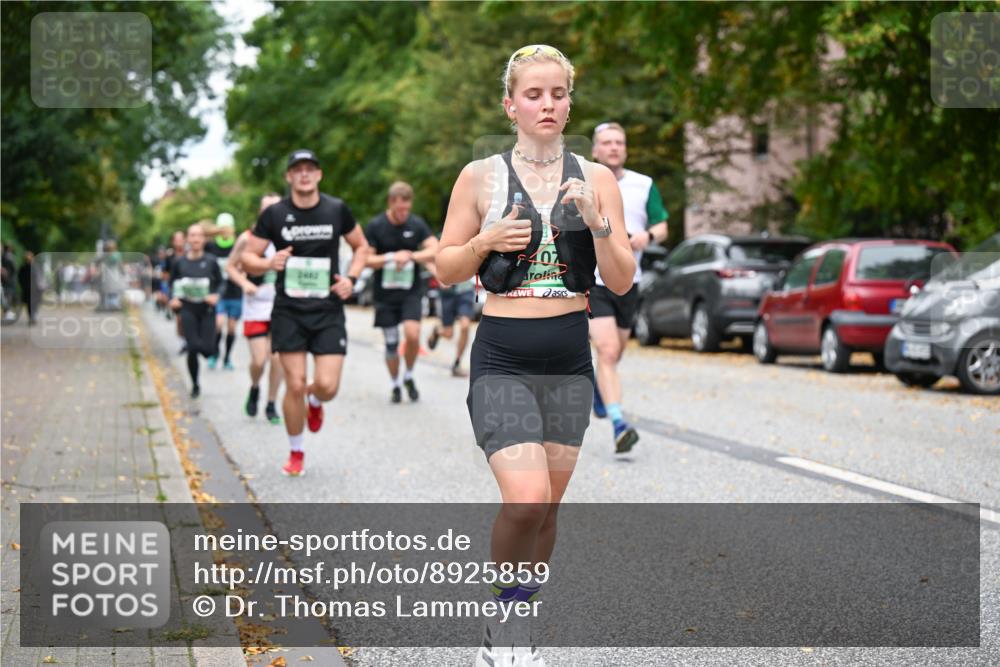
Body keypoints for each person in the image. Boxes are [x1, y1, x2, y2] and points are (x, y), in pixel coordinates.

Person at [435, 44, 635, 665]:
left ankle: (518, 620)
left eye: (557, 94)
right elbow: (445, 268)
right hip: (502, 355)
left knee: (546, 508)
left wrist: (597, 224)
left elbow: (622, 281)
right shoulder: (480, 177)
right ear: (510, 105)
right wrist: (485, 239)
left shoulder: (596, 177)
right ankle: (501, 627)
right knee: (523, 499)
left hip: (569, 360)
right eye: (533, 94)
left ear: (569, 101)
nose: (546, 104)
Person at [242, 149, 369, 477]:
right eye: (297, 169)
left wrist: (352, 279)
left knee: (327, 387)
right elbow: (248, 259)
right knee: (293, 384)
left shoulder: (336, 209)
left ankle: (316, 401)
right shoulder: (274, 215)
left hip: (327, 309)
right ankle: (296, 451)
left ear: (318, 175)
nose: (303, 174)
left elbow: (362, 247)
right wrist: (269, 262)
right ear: (289, 177)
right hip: (289, 311)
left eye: (309, 169)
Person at [589, 121, 670, 453]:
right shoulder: (584, 182)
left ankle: (600, 389)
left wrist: (647, 237)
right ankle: (619, 424)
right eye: (606, 143)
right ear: (595, 149)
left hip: (628, 280)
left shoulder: (644, 184)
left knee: (616, 353)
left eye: (618, 143)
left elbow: (662, 225)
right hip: (594, 280)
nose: (613, 148)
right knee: (607, 351)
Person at [364, 182, 438, 402]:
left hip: (410, 292)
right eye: (399, 210)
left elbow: (436, 247)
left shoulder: (416, 225)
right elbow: (367, 259)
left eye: (406, 209)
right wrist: (390, 258)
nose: (403, 214)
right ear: (390, 203)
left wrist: (412, 256)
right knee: (391, 344)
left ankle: (409, 374)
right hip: (385, 295)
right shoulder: (376, 226)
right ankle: (395, 383)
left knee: (413, 334)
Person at [226, 193, 285, 424]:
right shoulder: (248, 238)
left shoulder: (288, 238)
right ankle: (254, 387)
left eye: (276, 208)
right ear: (260, 212)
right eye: (266, 209)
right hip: (255, 308)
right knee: (259, 360)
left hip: (281, 307)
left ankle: (271, 403)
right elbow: (231, 266)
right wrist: (244, 283)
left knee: (278, 358)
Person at [168, 223, 222, 398]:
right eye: (192, 235)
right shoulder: (179, 262)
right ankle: (195, 384)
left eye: (199, 235)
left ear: (204, 239)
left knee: (207, 349)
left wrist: (216, 295)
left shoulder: (211, 261)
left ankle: (210, 350)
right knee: (192, 347)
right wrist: (173, 299)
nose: (196, 239)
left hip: (207, 310)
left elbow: (221, 283)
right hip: (187, 309)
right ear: (187, 239)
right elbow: (172, 285)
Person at [206, 212, 243, 370]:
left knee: (232, 328)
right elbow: (200, 232)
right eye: (223, 228)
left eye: (228, 228)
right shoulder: (211, 246)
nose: (226, 231)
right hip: (218, 292)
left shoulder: (239, 245)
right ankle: (215, 353)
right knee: (218, 324)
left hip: (235, 292)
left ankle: (227, 357)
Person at [427, 274, 475, 376]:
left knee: (465, 326)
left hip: (465, 289)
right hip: (447, 293)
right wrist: (439, 277)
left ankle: (456, 364)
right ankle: (437, 331)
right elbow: (432, 261)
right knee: (449, 334)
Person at [17, 251, 43, 325]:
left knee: (33, 304)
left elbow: (39, 278)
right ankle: (32, 317)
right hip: (29, 289)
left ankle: (32, 316)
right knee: (30, 304)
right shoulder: (24, 268)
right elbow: (20, 279)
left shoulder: (34, 267)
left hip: (33, 289)